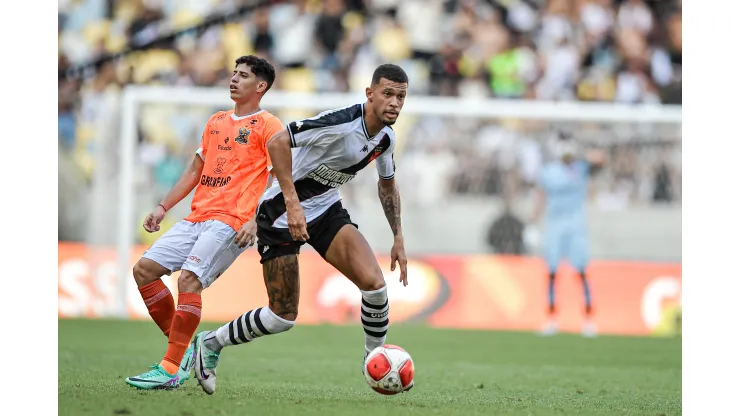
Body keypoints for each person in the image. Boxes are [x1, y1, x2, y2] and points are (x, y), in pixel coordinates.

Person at [190, 64, 410, 395]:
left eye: (401, 97)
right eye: (388, 94)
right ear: (370, 93)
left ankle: (374, 363)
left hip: (324, 210)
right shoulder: (340, 123)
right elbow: (278, 140)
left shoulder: (386, 138)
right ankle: (211, 343)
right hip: (280, 211)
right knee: (283, 316)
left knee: (376, 286)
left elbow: (387, 185)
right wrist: (291, 204)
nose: (394, 103)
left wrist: (397, 236)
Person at [125, 55, 283, 389]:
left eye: (243, 76)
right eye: (233, 74)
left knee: (189, 280)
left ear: (260, 86)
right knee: (143, 271)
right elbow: (195, 171)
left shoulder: (270, 126)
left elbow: (276, 180)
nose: (234, 79)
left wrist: (256, 220)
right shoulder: (215, 122)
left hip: (232, 220)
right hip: (197, 216)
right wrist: (163, 206)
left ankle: (169, 369)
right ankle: (183, 351)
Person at [530, 133, 605, 337]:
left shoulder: (581, 167)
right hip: (554, 225)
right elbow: (540, 197)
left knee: (580, 271)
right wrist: (532, 224)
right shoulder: (548, 171)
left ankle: (589, 320)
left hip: (576, 225)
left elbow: (601, 160)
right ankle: (551, 319)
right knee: (552, 272)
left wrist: (581, 149)